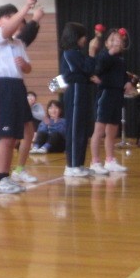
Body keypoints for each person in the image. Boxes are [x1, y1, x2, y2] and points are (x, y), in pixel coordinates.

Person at [0, 0, 37, 194]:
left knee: (15, 136)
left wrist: (24, 65)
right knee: (6, 137)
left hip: (18, 87)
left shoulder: (18, 43)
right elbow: (9, 28)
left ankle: (5, 176)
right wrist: (26, 7)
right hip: (3, 86)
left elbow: (28, 68)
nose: (13, 20)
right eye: (8, 17)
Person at [89, 29, 135, 174]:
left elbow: (123, 74)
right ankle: (95, 162)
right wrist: (109, 54)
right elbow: (98, 68)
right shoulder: (104, 55)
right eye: (113, 39)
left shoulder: (121, 59)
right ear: (107, 43)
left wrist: (127, 82)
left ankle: (110, 160)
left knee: (112, 130)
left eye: (119, 40)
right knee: (99, 130)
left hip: (117, 95)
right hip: (105, 94)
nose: (116, 42)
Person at [60, 22, 99, 177]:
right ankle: (71, 165)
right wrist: (92, 52)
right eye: (83, 36)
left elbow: (85, 72)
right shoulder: (70, 53)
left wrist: (90, 78)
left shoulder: (76, 53)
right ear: (75, 37)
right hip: (75, 92)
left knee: (82, 128)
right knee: (75, 128)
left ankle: (79, 164)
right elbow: (86, 70)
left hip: (81, 91)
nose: (85, 39)